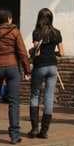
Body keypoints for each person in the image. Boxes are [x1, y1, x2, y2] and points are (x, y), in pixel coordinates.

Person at [0, 8, 30, 144]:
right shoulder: (14, 31)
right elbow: (22, 52)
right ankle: (14, 135)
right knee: (14, 102)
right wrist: (27, 70)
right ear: (8, 19)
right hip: (12, 68)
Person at [28, 8, 63, 139]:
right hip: (52, 67)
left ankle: (34, 129)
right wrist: (52, 53)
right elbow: (62, 52)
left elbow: (36, 51)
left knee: (35, 95)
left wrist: (33, 51)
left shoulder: (36, 32)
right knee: (49, 97)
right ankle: (44, 131)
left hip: (40, 66)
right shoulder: (56, 32)